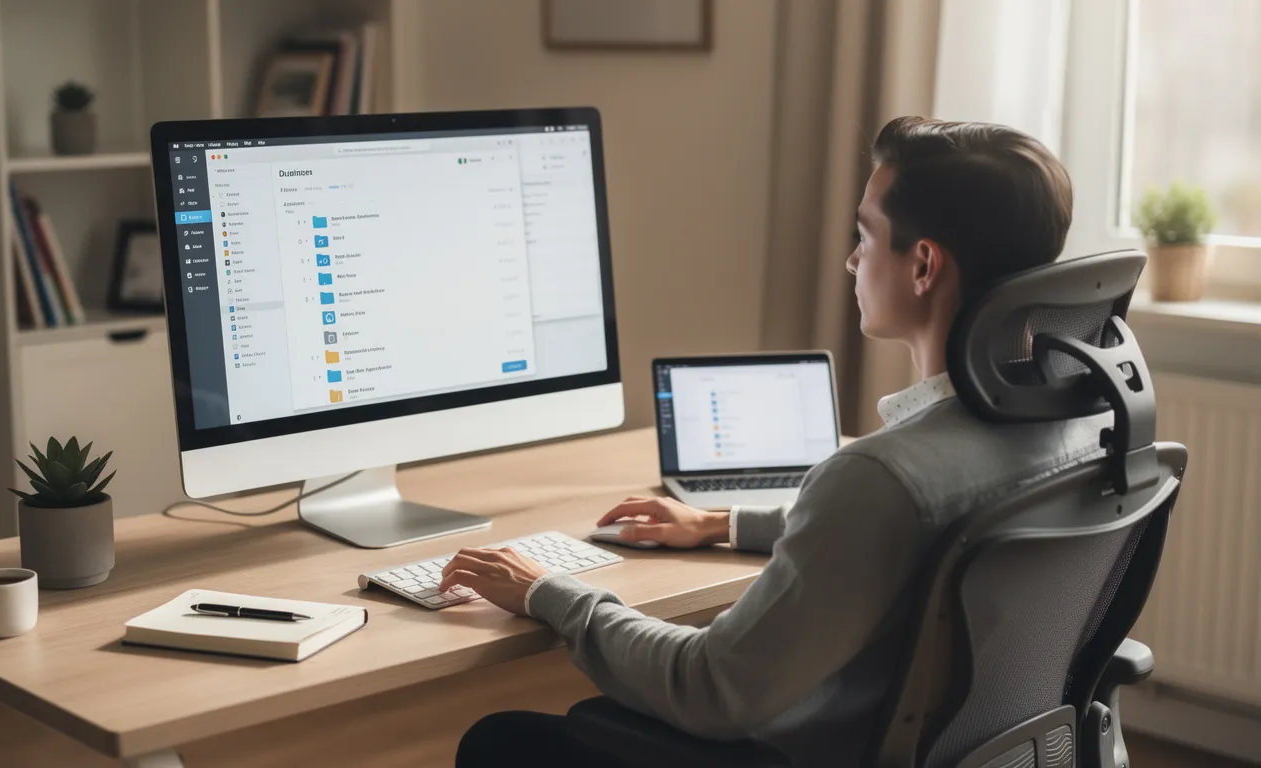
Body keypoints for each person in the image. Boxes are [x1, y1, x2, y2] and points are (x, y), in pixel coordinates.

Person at [445, 117, 1107, 768]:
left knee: (499, 741)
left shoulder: (883, 477)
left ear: (924, 264)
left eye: (865, 234)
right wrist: (725, 523)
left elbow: (710, 689)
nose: (851, 258)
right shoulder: (1088, 423)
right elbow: (908, 533)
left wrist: (552, 593)